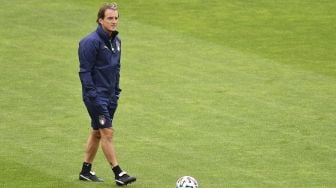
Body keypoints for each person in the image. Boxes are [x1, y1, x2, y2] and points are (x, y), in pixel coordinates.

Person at [77, 2, 136, 186]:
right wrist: (93, 95)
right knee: (107, 132)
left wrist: (116, 91)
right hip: (96, 97)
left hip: (110, 96)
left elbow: (116, 69)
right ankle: (118, 173)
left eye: (116, 18)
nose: (114, 21)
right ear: (100, 20)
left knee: (97, 132)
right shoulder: (90, 42)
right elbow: (84, 71)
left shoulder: (117, 42)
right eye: (110, 18)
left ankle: (85, 171)